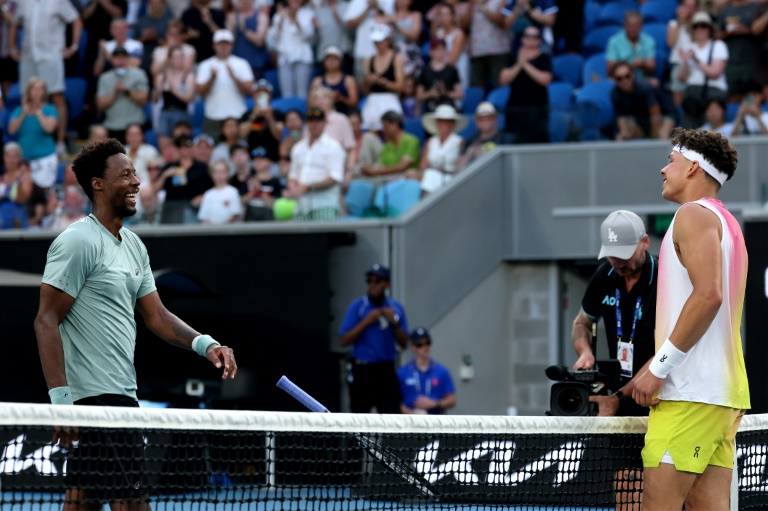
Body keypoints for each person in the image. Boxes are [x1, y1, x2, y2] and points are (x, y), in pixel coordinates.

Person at [34, 138, 236, 510]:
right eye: (125, 174)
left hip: (123, 397)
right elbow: (46, 321)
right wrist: (61, 403)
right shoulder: (77, 241)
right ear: (98, 184)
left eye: (135, 174)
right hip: (92, 399)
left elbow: (157, 316)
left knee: (83, 502)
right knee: (131, 502)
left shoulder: (134, 246)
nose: (136, 182)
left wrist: (205, 344)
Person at [632, 129, 748, 511]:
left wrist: (660, 367)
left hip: (689, 395)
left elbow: (708, 296)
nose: (663, 169)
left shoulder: (692, 215)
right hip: (719, 396)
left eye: (671, 160)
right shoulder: (728, 224)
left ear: (694, 168)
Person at [572, 209, 658, 511]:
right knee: (627, 489)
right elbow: (582, 323)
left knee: (664, 494)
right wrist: (586, 351)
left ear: (645, 242)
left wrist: (617, 399)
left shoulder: (665, 279)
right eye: (612, 255)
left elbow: (666, 353)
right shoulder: (604, 275)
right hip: (621, 403)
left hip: (663, 400)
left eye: (624, 254)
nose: (618, 262)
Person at [9, 0, 82, 156]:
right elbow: (15, 22)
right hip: (28, 56)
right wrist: (11, 47)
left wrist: (74, 46)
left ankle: (60, 142)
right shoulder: (23, 2)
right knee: (27, 98)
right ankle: (26, 142)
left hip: (51, 55)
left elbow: (76, 20)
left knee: (57, 97)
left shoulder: (59, 2)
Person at [340, 264, 409, 413]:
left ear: (387, 284)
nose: (373, 285)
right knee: (359, 416)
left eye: (377, 281)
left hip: (386, 369)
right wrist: (366, 321)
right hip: (363, 369)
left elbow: (405, 343)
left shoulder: (395, 308)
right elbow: (343, 340)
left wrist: (395, 324)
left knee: (391, 415)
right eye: (369, 281)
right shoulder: (358, 306)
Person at [282, 107, 346, 221]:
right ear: (306, 123)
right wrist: (292, 185)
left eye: (318, 121)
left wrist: (307, 187)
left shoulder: (333, 146)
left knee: (324, 237)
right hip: (301, 204)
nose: (315, 124)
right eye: (311, 121)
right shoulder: (298, 148)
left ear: (325, 123)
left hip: (325, 204)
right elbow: (293, 174)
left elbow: (335, 178)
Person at [195, 29, 254, 142]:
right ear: (214, 46)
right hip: (213, 115)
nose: (223, 47)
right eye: (220, 44)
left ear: (232, 45)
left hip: (237, 114)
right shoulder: (205, 65)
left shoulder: (242, 64)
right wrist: (212, 78)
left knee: (239, 149)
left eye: (226, 44)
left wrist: (234, 76)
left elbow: (249, 90)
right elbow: (201, 93)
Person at [499, 25, 552, 144]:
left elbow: (545, 80)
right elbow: (503, 79)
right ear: (522, 39)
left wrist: (526, 65)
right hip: (516, 108)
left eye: (535, 36)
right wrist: (519, 64)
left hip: (538, 109)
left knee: (538, 142)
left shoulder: (544, 58)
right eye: (527, 36)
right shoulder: (513, 56)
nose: (531, 39)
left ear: (539, 40)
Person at [678, 11, 728, 129]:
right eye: (696, 26)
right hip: (693, 94)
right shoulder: (689, 47)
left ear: (709, 29)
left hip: (713, 91)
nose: (700, 29)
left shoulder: (718, 45)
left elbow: (715, 73)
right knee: (691, 132)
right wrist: (685, 61)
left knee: (712, 133)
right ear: (693, 30)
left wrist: (696, 60)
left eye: (703, 26)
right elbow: (682, 78)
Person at [7, 78, 59, 189]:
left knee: (43, 193)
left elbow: (49, 128)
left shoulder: (50, 109)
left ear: (44, 92)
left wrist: (38, 111)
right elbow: (11, 130)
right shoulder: (20, 110)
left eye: (40, 89)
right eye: (34, 89)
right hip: (25, 161)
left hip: (45, 159)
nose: (37, 92)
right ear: (29, 91)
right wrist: (23, 113)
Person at [96, 46, 150, 144]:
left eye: (123, 57)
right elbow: (100, 105)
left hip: (134, 125)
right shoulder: (104, 78)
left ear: (127, 59)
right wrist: (115, 94)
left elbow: (144, 100)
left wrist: (127, 92)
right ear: (112, 59)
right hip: (113, 126)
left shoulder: (139, 74)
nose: (120, 60)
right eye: (117, 57)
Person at [610, 61, 676, 141]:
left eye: (627, 76)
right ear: (615, 80)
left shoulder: (644, 88)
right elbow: (620, 118)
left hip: (665, 115)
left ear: (633, 75)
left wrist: (653, 136)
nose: (624, 80)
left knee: (661, 136)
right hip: (642, 119)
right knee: (624, 136)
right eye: (619, 78)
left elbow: (655, 112)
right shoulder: (615, 93)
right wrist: (624, 132)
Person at [397, 327, 456, 415]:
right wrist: (412, 415)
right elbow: (395, 401)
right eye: (419, 344)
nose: (424, 347)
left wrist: (434, 403)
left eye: (427, 343)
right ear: (413, 347)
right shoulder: (402, 373)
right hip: (409, 422)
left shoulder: (442, 371)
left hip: (435, 421)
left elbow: (452, 400)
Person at [267, 0, 316, 98]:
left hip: (303, 57)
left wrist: (295, 21)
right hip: (285, 58)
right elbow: (273, 38)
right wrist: (280, 22)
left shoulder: (308, 14)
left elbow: (308, 36)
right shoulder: (279, 15)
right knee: (286, 94)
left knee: (302, 93)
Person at [360, 23, 405, 132]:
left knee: (391, 132)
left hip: (390, 99)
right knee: (372, 134)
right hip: (372, 101)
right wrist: (367, 81)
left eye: (380, 41)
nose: (378, 44)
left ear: (387, 40)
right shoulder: (368, 60)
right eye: (376, 42)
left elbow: (400, 86)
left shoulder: (397, 58)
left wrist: (380, 81)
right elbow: (365, 91)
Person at [153, 44, 196, 152]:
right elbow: (154, 99)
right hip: (165, 112)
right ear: (170, 59)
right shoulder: (162, 76)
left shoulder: (188, 76)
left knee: (181, 143)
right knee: (164, 142)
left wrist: (173, 89)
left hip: (181, 112)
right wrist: (158, 90)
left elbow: (189, 98)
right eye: (176, 57)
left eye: (181, 57)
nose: (179, 60)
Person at [418, 104, 466, 195]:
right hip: (429, 177)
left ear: (453, 124)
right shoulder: (431, 141)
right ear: (437, 123)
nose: (444, 124)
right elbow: (423, 166)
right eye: (441, 121)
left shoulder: (459, 142)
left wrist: (441, 171)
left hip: (451, 179)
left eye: (447, 121)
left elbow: (461, 168)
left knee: (431, 177)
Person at [360, 110, 420, 180]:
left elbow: (402, 166)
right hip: (389, 179)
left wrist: (373, 171)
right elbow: (382, 166)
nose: (384, 130)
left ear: (395, 124)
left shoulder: (412, 141)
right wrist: (369, 170)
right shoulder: (388, 146)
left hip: (407, 179)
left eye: (386, 126)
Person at [605, 10, 657, 84]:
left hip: (641, 79)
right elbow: (610, 70)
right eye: (630, 25)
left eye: (636, 25)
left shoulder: (649, 41)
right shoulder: (614, 41)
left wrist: (643, 65)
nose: (633, 29)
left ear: (641, 26)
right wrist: (630, 66)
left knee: (654, 82)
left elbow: (652, 68)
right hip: (621, 79)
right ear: (624, 26)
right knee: (611, 82)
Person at [416, 39, 463, 114]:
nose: (440, 52)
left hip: (449, 111)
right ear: (431, 52)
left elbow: (459, 94)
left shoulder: (452, 70)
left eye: (442, 49)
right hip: (431, 111)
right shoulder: (424, 71)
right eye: (437, 49)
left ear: (446, 51)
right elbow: (419, 95)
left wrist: (445, 93)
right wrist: (430, 93)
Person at [226, 0, 270, 80]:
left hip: (255, 64)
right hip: (236, 64)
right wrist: (233, 27)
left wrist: (243, 28)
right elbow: (229, 42)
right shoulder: (232, 17)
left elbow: (259, 41)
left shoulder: (261, 16)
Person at [309, 46, 360, 116]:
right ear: (324, 62)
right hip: (322, 117)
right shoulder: (317, 81)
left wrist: (341, 99)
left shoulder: (349, 80)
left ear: (341, 61)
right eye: (329, 59)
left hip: (345, 115)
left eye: (334, 59)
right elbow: (310, 103)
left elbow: (355, 102)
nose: (331, 62)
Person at [456, 101, 503, 170]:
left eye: (488, 118)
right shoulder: (470, 140)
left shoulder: (503, 139)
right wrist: (471, 154)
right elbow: (458, 166)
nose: (485, 122)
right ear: (476, 121)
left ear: (495, 120)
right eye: (481, 119)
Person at [198, 159, 243, 224]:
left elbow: (236, 213)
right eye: (216, 172)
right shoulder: (208, 194)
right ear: (211, 175)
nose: (219, 175)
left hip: (229, 231)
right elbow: (204, 217)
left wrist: (222, 228)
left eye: (222, 172)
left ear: (228, 174)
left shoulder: (233, 191)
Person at [0, 142, 32, 229]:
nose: (11, 160)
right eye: (8, 157)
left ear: (19, 159)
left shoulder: (25, 177)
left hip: (17, 220)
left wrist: (18, 183)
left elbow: (21, 199)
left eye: (14, 157)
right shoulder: (1, 178)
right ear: (4, 158)